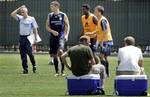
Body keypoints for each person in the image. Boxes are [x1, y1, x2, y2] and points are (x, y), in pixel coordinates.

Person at [10, 5, 38, 74]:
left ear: (27, 12)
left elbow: (35, 28)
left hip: (29, 37)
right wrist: (19, 8)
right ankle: (25, 69)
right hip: (22, 38)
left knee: (30, 53)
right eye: (21, 12)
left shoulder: (31, 19)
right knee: (23, 54)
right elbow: (12, 14)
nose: (22, 13)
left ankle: (34, 65)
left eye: (23, 12)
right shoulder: (20, 18)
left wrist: (36, 37)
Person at [46, 1, 70, 77]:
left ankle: (63, 71)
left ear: (56, 7)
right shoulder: (50, 15)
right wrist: (52, 31)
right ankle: (57, 72)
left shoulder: (63, 15)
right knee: (54, 55)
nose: (51, 8)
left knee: (60, 52)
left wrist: (66, 35)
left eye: (52, 6)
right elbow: (47, 26)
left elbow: (67, 25)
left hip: (61, 36)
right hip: (53, 37)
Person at [94, 5, 113, 77]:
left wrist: (101, 41)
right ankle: (107, 73)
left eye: (95, 11)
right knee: (104, 57)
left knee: (101, 56)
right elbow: (99, 31)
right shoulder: (100, 20)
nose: (94, 12)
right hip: (105, 41)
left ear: (99, 12)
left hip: (106, 41)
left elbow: (105, 31)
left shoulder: (102, 20)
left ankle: (104, 73)